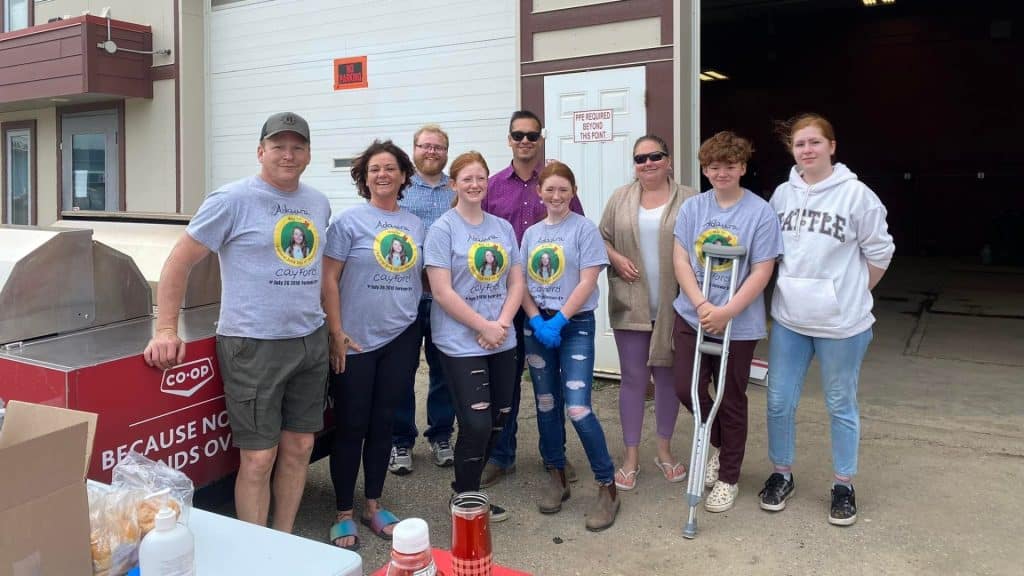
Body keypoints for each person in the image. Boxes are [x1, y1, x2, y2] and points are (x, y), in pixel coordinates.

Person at [143, 112, 329, 533]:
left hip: (309, 340)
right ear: (260, 151)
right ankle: (256, 550)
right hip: (252, 345)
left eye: (297, 146)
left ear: (308, 155)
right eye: (278, 146)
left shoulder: (318, 202)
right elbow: (178, 261)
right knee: (259, 458)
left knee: (299, 446)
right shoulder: (231, 199)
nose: (288, 154)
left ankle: (283, 540)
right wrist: (166, 329)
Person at [760, 113, 894, 526]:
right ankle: (782, 473)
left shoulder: (857, 196)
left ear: (832, 146)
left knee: (840, 403)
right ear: (792, 151)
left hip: (842, 326)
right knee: (779, 401)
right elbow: (771, 251)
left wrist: (851, 293)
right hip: (790, 320)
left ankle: (843, 484)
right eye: (800, 144)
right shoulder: (782, 195)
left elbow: (880, 253)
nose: (807, 150)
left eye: (815, 142)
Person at [671, 131, 783, 513]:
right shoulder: (693, 209)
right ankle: (715, 445)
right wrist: (702, 303)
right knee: (687, 389)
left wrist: (727, 311)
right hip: (693, 314)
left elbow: (762, 269)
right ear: (705, 169)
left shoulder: (760, 212)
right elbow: (682, 258)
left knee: (731, 398)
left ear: (743, 168)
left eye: (730, 166)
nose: (722, 173)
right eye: (714, 167)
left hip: (738, 321)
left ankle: (729, 476)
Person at [323, 140, 424, 550]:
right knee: (350, 425)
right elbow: (328, 279)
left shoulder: (416, 224)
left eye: (390, 168)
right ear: (364, 179)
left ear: (403, 176)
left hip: (401, 336)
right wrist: (335, 332)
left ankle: (373, 504)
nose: (383, 175)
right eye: (374, 169)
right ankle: (343, 512)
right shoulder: (349, 222)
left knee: (384, 423)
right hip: (355, 340)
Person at [480, 110, 584, 488]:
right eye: (518, 134)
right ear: (509, 139)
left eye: (532, 135)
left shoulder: (556, 185)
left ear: (541, 138)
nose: (525, 141)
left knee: (550, 384)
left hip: (548, 305)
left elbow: (581, 234)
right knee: (506, 384)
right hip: (505, 304)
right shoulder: (492, 188)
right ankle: (501, 454)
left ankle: (553, 455)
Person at [425, 151, 525, 521]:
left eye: (480, 178)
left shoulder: (501, 228)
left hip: (501, 337)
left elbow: (516, 280)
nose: (474, 184)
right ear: (454, 184)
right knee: (476, 422)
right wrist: (482, 327)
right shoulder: (443, 229)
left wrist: (499, 324)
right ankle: (464, 495)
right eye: (466, 178)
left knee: (500, 417)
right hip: (459, 341)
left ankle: (473, 489)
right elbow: (441, 291)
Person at [521, 161, 620, 531]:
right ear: (539, 192)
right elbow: (523, 281)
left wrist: (560, 319)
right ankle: (557, 475)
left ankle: (607, 486)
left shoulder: (585, 230)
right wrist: (535, 319)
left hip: (573, 323)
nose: (556, 196)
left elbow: (588, 279)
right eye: (550, 189)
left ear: (573, 192)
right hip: (537, 325)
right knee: (546, 403)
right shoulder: (530, 234)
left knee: (577, 407)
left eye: (564, 190)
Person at [598, 134, 695, 491]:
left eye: (655, 156)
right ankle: (631, 456)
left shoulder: (689, 199)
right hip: (631, 303)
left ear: (669, 160)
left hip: (676, 305)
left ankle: (665, 451)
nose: (648, 163)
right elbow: (601, 237)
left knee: (668, 379)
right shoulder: (620, 198)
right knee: (634, 380)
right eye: (640, 159)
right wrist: (615, 257)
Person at [390, 124, 457, 475]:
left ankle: (441, 434)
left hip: (446, 298)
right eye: (425, 146)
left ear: (447, 151)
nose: (431, 152)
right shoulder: (399, 189)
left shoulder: (456, 189)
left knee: (444, 369)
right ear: (414, 149)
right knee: (402, 370)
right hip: (405, 296)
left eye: (439, 147)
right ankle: (400, 440)